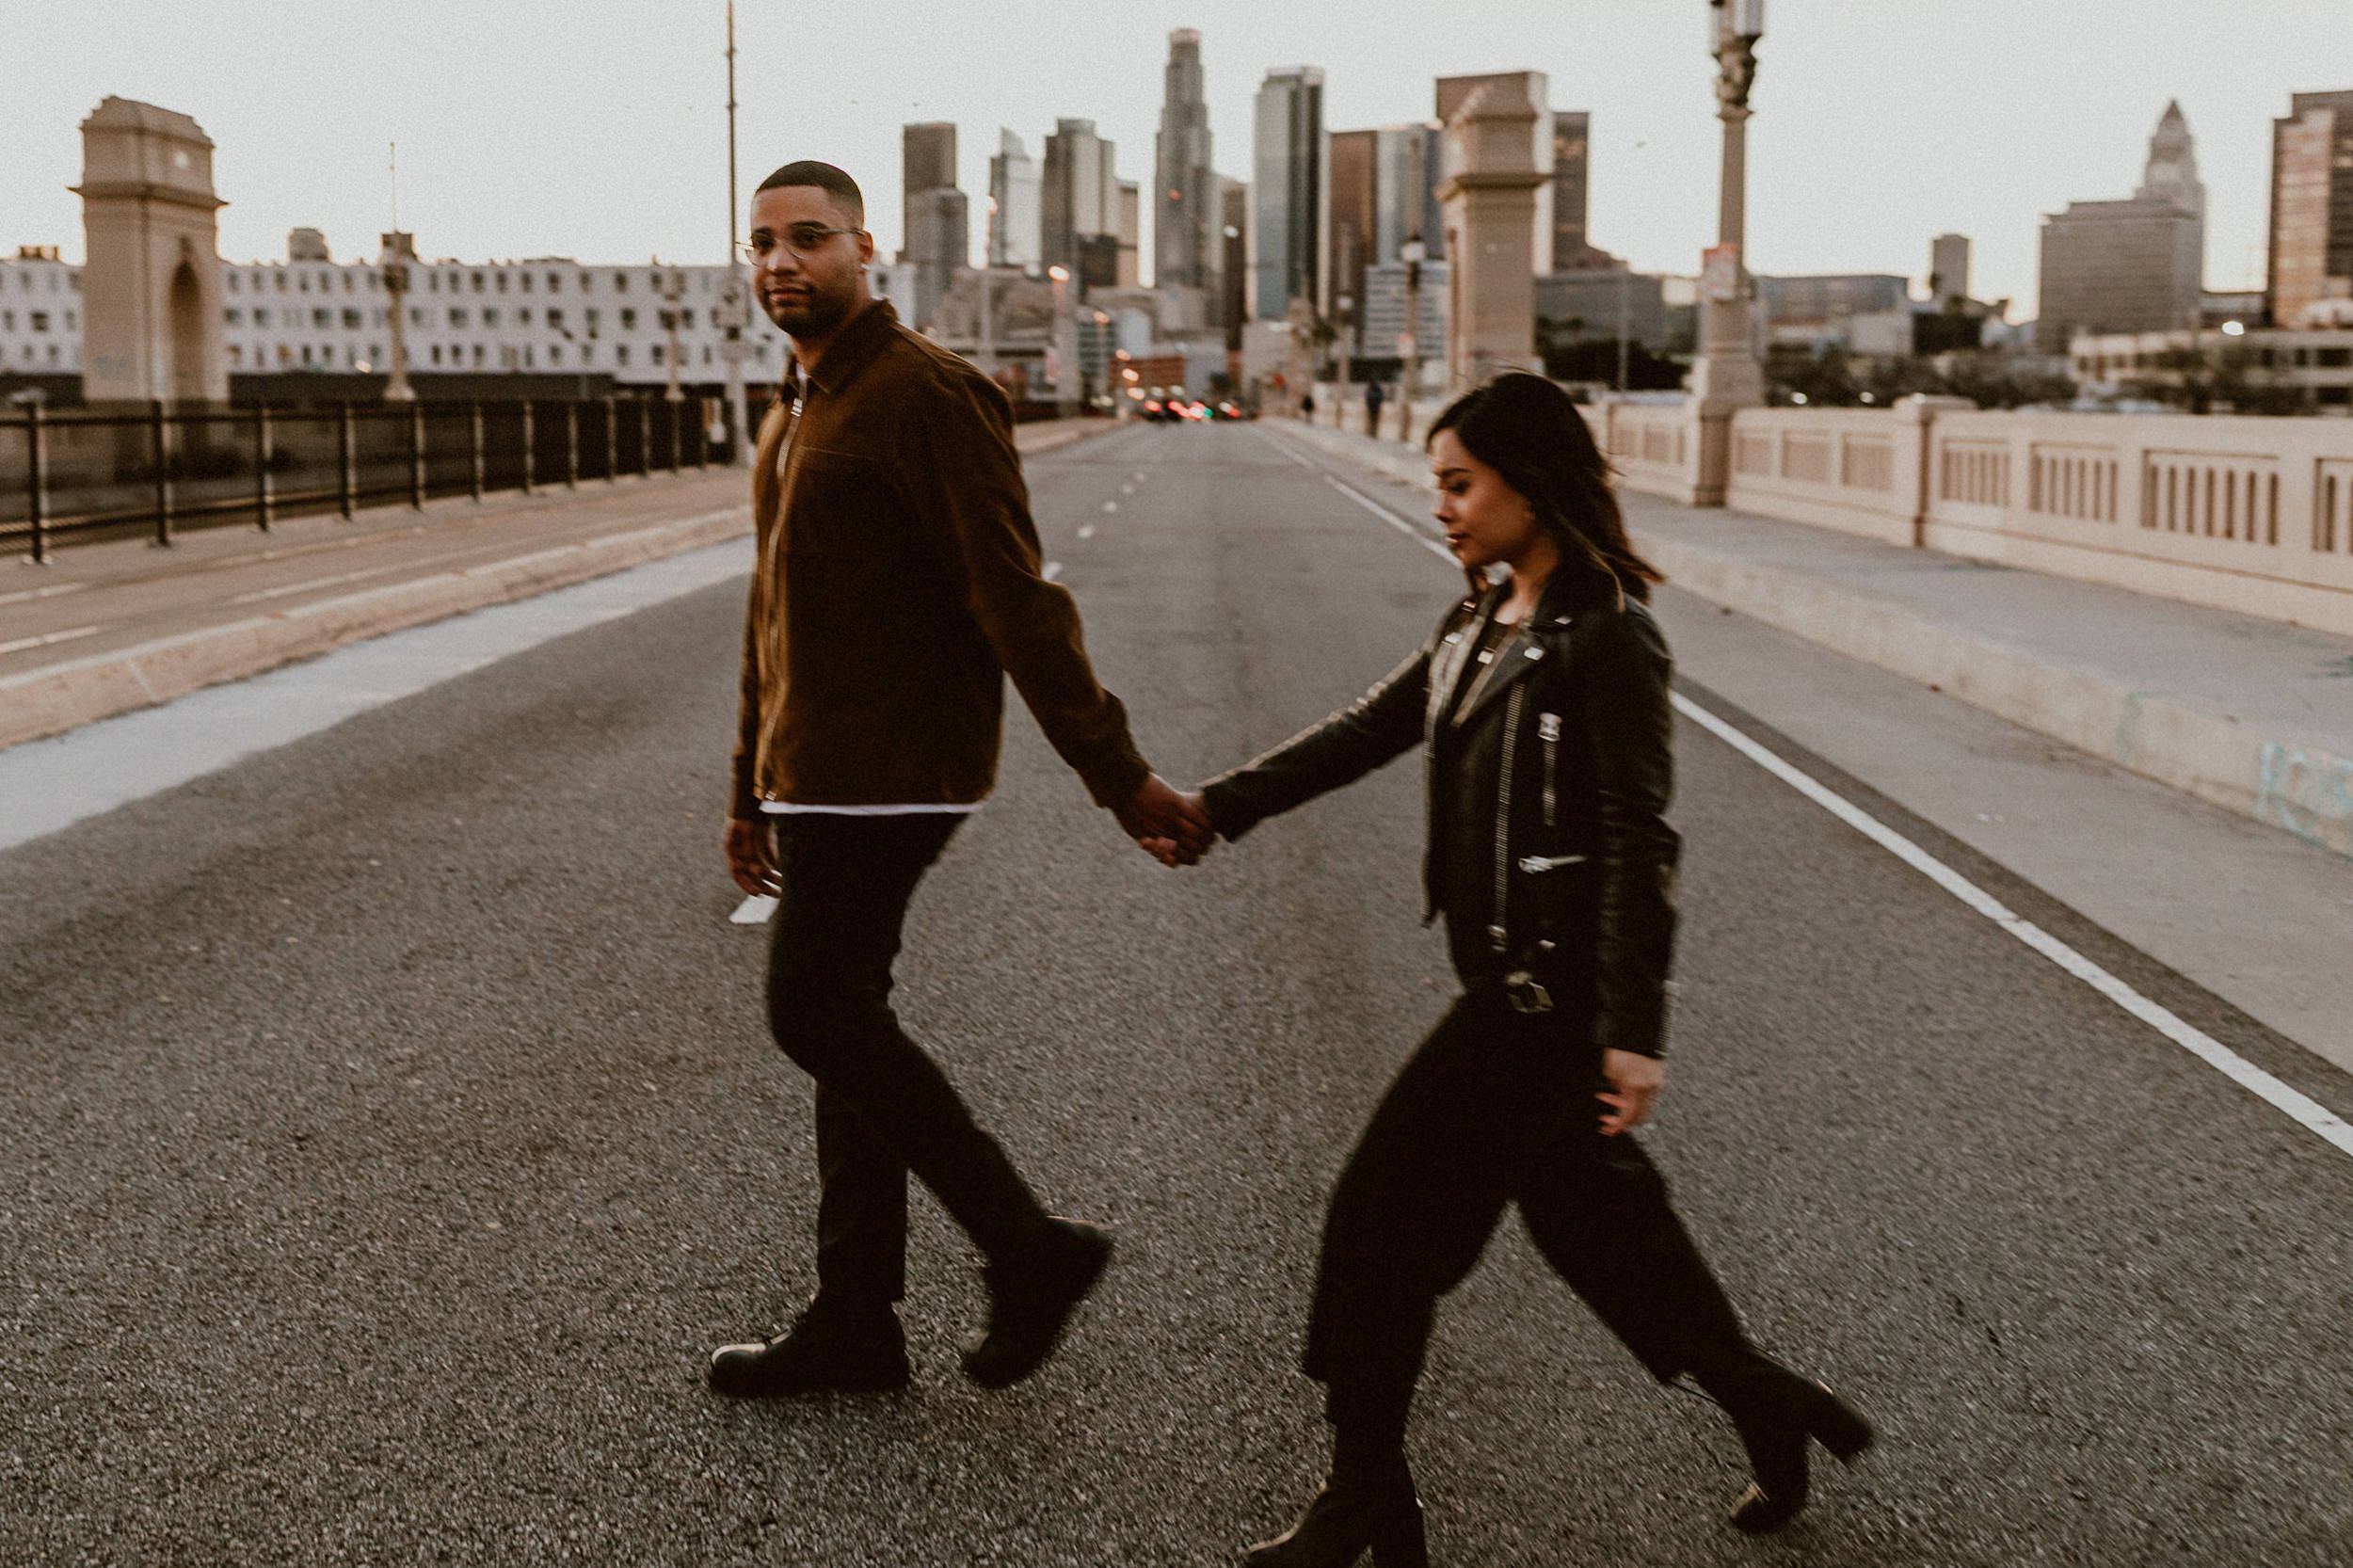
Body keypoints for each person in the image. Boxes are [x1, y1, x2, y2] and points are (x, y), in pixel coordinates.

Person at [1167, 374, 1871, 1564]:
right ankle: (1771, 1405)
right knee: (1606, 1241)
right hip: (1504, 987)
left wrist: (1634, 1030)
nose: (1440, 505)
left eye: (1459, 484)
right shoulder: (1480, 616)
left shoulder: (1606, 636)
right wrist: (1216, 808)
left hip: (1539, 1002)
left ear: (1530, 485)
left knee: (1376, 1226)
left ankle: (1366, 1499)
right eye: (1435, 484)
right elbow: (1369, 729)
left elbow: (1640, 837)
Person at [711, 161, 1210, 1399]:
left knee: (813, 1011)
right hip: (815, 770)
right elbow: (772, 619)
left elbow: (1016, 599)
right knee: (846, 1025)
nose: (782, 262)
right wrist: (747, 783)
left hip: (894, 767)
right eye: (763, 243)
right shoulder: (796, 407)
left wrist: (1116, 772)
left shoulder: (925, 394)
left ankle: (1027, 1246)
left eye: (808, 238)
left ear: (865, 248)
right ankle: (856, 1320)